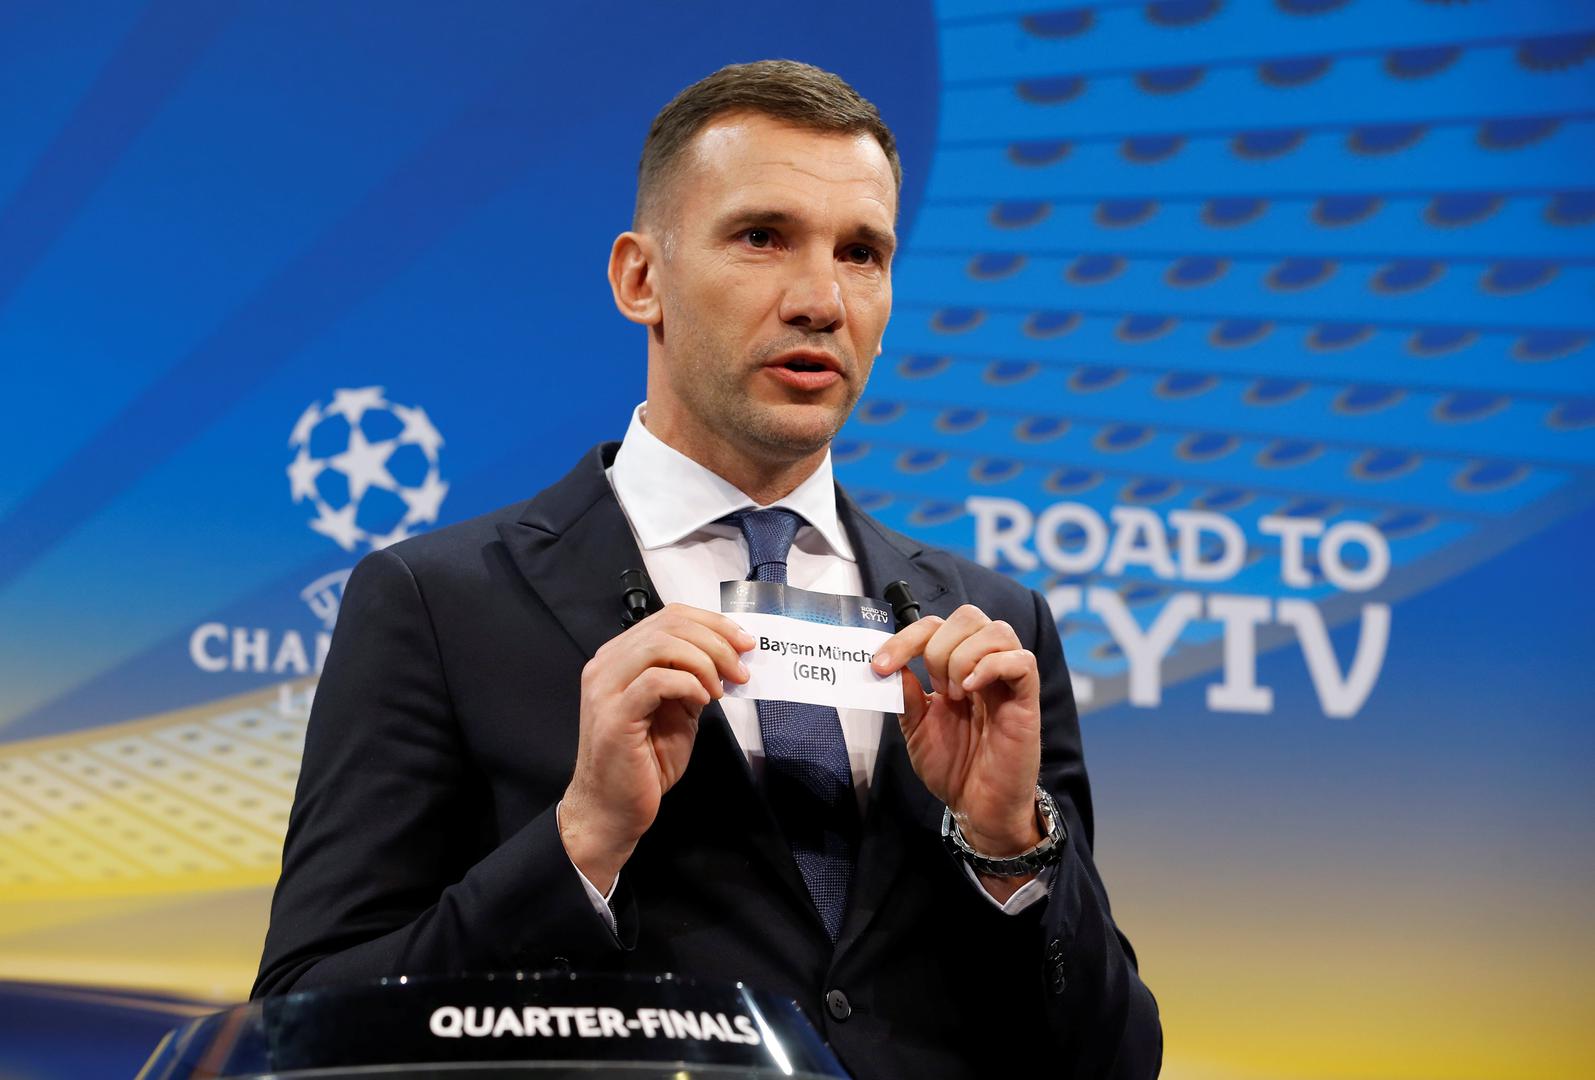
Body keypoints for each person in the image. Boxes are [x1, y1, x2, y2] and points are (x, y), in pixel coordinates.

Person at [255, 60, 1161, 1078]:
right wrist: (581, 841)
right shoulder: (438, 603)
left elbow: (1113, 1060)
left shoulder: (994, 626)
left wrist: (1006, 847)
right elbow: (304, 1025)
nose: (820, 300)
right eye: (762, 237)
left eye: (861, 253)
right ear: (640, 279)